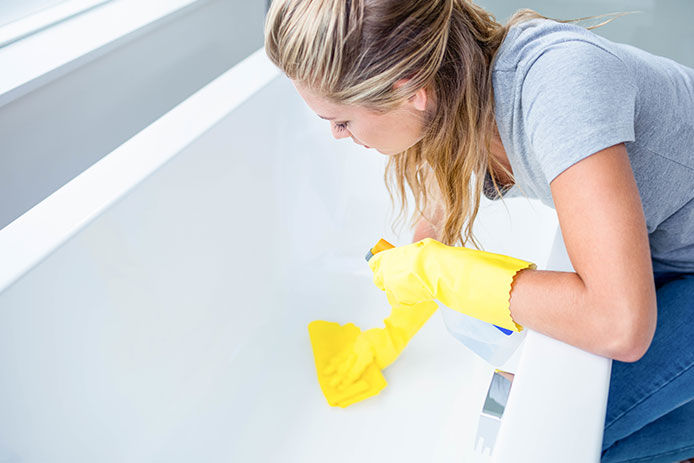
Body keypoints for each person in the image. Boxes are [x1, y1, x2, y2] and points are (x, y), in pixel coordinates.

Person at [264, 0, 694, 461]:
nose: (337, 136)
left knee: (552, 436)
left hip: (673, 267)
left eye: (341, 121)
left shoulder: (558, 85)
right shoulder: (456, 96)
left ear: (408, 88)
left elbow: (619, 324)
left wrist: (439, 272)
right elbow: (434, 222)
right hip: (666, 249)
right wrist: (396, 321)